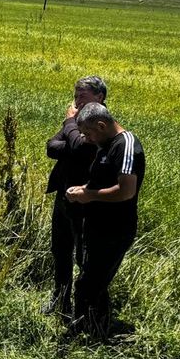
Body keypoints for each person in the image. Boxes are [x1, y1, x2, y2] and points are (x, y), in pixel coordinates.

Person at [64, 102, 144, 334]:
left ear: (101, 125)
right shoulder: (104, 145)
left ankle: (88, 333)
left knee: (89, 284)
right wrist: (83, 189)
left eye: (88, 133)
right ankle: (97, 326)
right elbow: (101, 181)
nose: (86, 139)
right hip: (97, 226)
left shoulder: (126, 146)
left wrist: (88, 195)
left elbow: (126, 190)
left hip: (115, 229)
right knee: (93, 280)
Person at [43, 75, 107, 316]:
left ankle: (86, 309)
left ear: (99, 98)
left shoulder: (100, 123)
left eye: (83, 95)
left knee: (83, 256)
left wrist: (70, 124)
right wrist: (73, 140)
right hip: (64, 194)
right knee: (60, 250)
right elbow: (51, 147)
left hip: (86, 200)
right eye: (76, 95)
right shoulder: (78, 121)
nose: (77, 100)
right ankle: (60, 301)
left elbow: (83, 148)